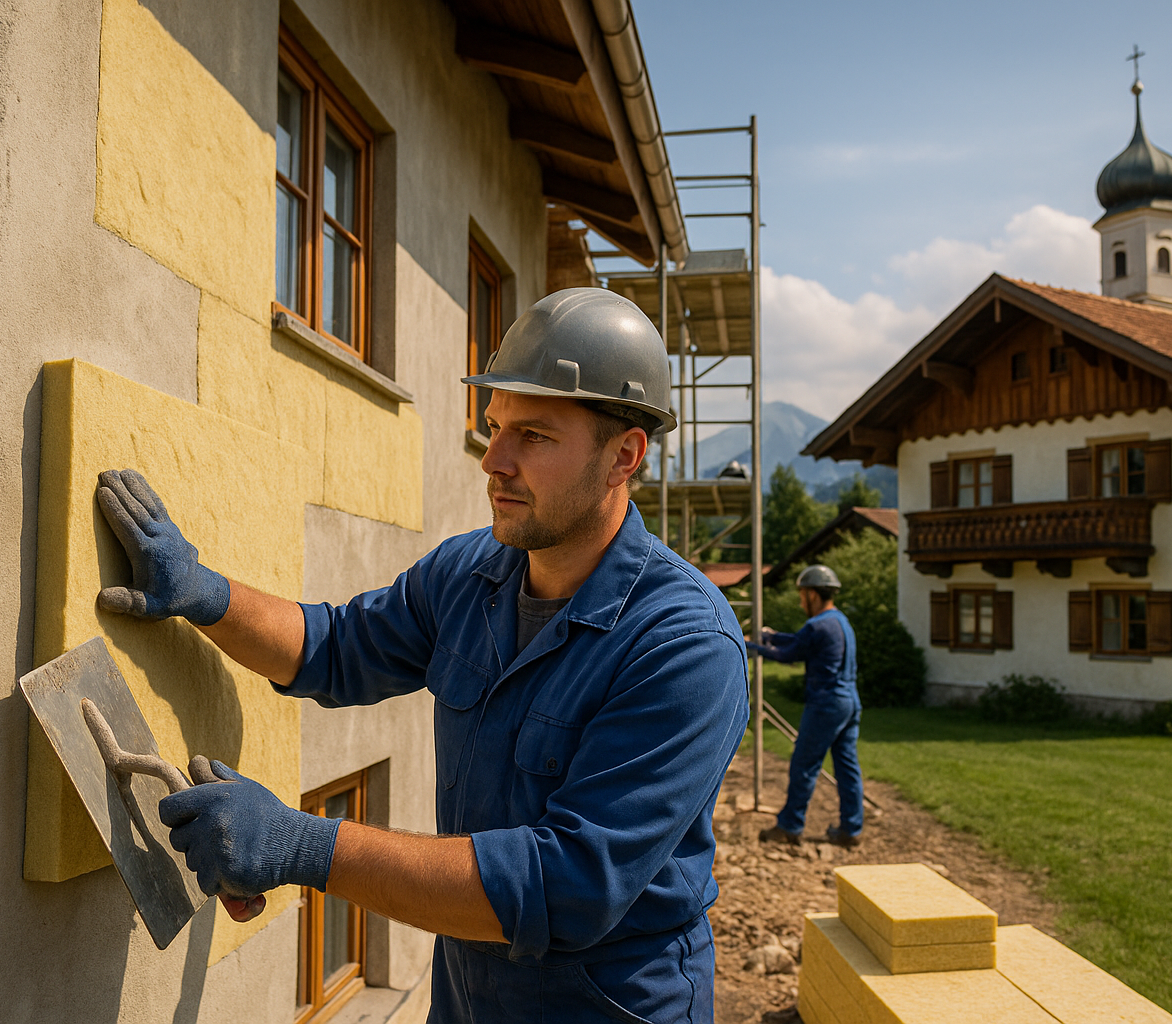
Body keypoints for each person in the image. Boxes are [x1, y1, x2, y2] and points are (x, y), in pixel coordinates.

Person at [93, 288, 749, 1024]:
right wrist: (206, 593)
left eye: (533, 436)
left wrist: (303, 845)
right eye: (494, 426)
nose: (494, 461)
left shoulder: (684, 645)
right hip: (468, 1000)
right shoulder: (473, 574)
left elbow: (563, 886)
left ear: (623, 456)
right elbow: (335, 648)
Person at [747, 565, 863, 849]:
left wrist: (754, 647)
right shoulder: (839, 621)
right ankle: (852, 829)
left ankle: (789, 826)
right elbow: (801, 642)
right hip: (849, 701)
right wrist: (772, 635)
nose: (800, 601)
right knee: (847, 767)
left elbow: (790, 655)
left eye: (801, 595)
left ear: (812, 594)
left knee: (804, 764)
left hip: (826, 704)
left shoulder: (818, 624)